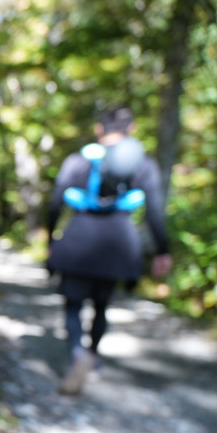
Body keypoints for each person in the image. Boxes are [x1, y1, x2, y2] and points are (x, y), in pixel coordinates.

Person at [47, 105, 172, 395]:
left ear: (99, 129)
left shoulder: (78, 160)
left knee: (74, 305)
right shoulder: (144, 164)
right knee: (101, 306)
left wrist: (51, 241)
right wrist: (163, 250)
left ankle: (77, 353)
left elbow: (55, 204)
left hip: (78, 240)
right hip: (119, 245)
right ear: (133, 128)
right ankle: (92, 357)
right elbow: (154, 212)